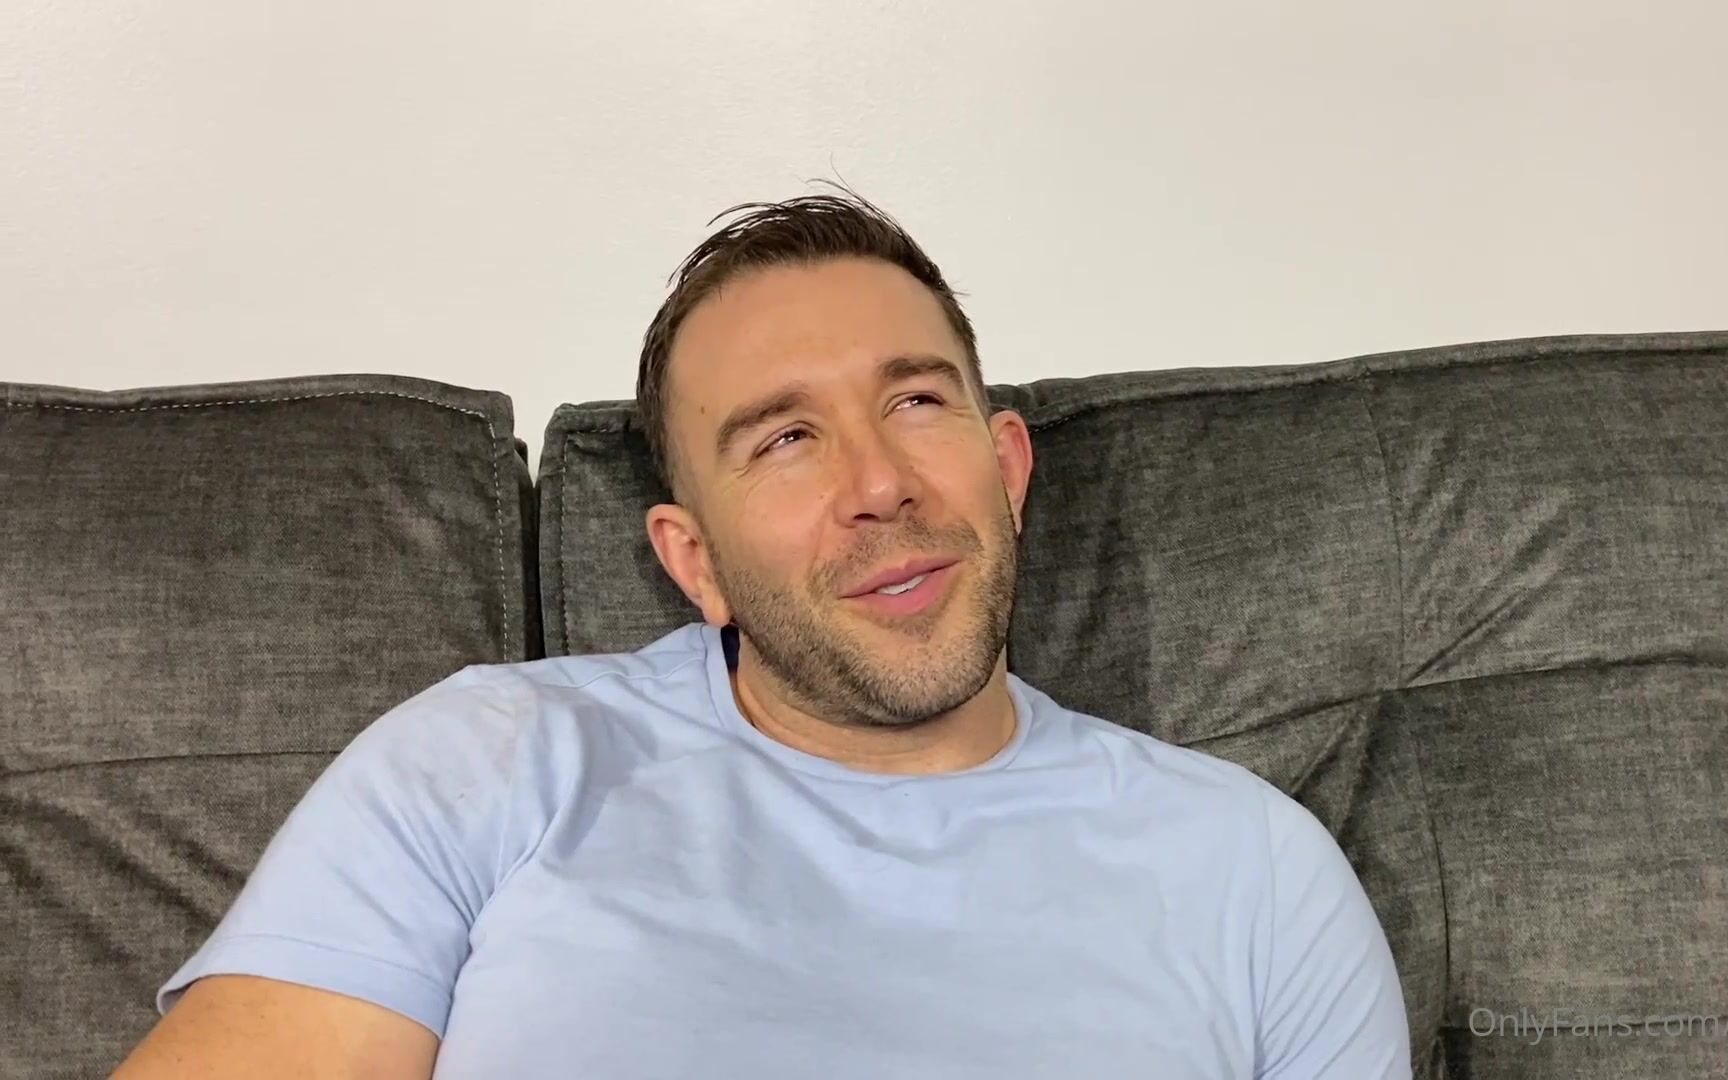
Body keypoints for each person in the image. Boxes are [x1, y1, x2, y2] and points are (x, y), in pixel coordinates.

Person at [116, 190, 1411, 1078]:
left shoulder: (1256, 875)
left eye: (917, 402)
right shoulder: (485, 762)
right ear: (696, 563)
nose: (878, 484)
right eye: (786, 439)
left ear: (1009, 470)